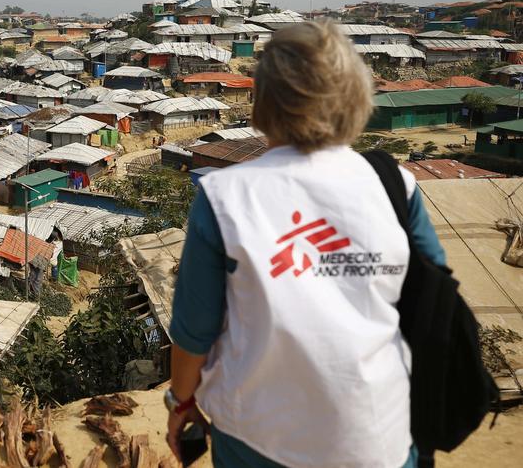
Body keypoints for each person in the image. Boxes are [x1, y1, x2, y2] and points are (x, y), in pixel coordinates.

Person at [165, 23, 447, 468]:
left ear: (262, 104)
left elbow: (194, 332)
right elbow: (431, 310)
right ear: (356, 98)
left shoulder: (225, 196)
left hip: (256, 437)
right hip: (380, 433)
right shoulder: (396, 187)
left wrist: (181, 403)